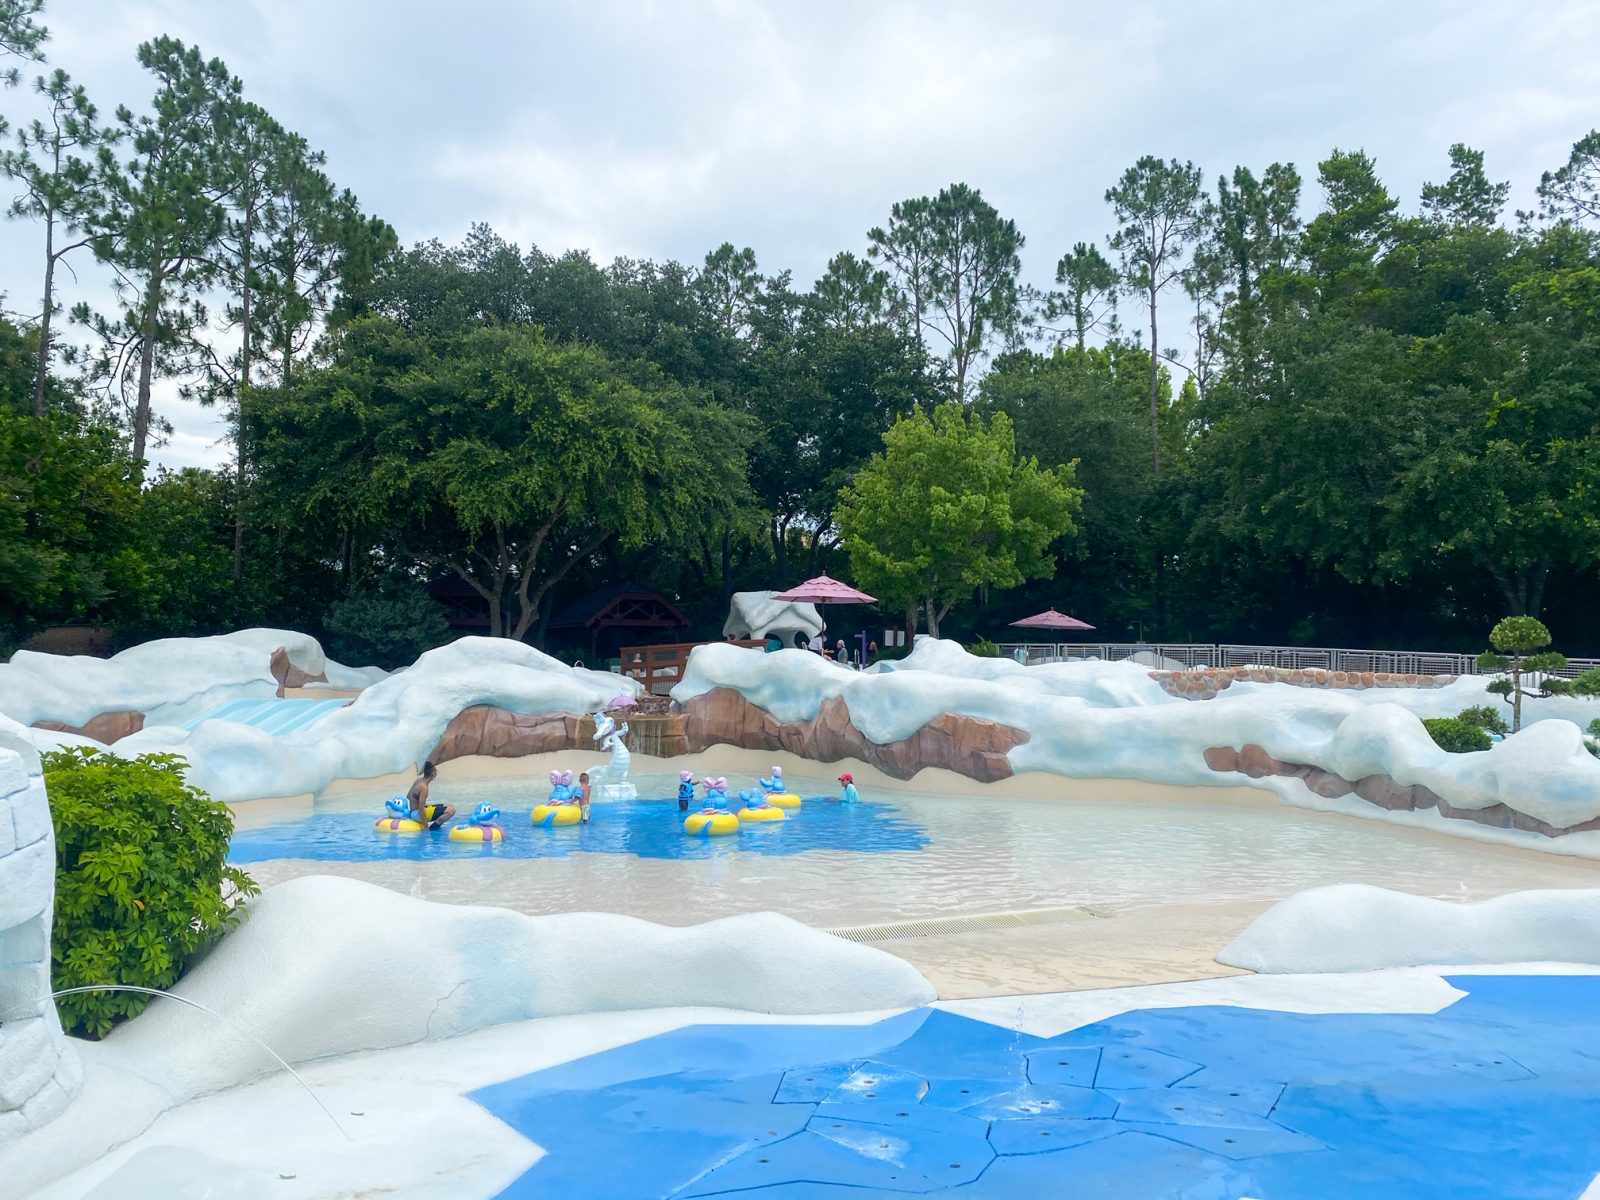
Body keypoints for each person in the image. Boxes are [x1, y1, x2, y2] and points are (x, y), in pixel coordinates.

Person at [407, 761, 455, 829]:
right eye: (436, 771)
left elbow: (408, 796)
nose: (436, 773)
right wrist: (426, 827)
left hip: (414, 812)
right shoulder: (424, 787)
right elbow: (421, 809)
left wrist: (417, 803)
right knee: (451, 811)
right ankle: (432, 829)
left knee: (448, 805)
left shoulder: (419, 781)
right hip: (416, 814)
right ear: (433, 773)